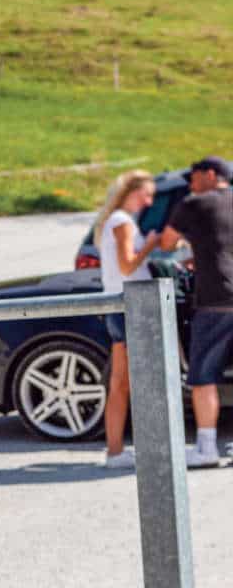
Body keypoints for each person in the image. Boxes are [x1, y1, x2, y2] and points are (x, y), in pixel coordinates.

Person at [160, 155, 233, 469]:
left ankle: (206, 448)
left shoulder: (193, 204)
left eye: (193, 176)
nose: (190, 183)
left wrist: (189, 250)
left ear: (209, 174)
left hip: (216, 299)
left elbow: (166, 242)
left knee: (202, 376)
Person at [92, 169, 161, 469]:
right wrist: (152, 243)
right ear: (131, 192)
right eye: (146, 195)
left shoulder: (113, 221)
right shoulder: (122, 222)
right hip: (131, 307)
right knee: (129, 382)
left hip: (119, 306)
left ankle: (116, 451)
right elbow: (128, 265)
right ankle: (119, 451)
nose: (148, 202)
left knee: (121, 383)